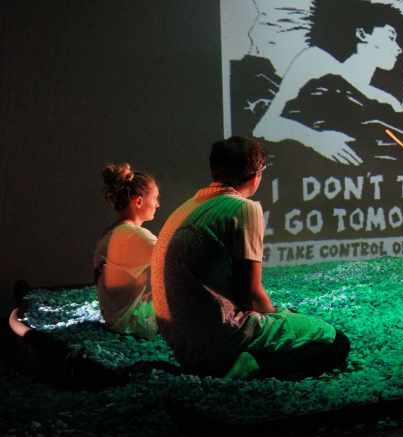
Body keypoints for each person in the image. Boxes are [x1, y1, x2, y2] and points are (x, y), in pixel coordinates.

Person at [151, 137, 350, 379]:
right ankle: (251, 364)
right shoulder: (243, 208)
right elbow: (251, 294)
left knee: (290, 318)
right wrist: (278, 317)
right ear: (257, 173)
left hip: (183, 345)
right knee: (336, 342)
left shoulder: (186, 208)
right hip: (218, 340)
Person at [252, 0, 403, 166]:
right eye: (390, 37)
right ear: (362, 34)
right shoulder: (315, 61)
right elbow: (265, 127)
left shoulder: (388, 101)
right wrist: (316, 139)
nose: (398, 48)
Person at [93, 163, 160, 338]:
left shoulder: (109, 234)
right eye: (155, 198)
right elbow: (180, 258)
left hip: (114, 320)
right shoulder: (136, 236)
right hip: (136, 325)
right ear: (139, 201)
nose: (157, 204)